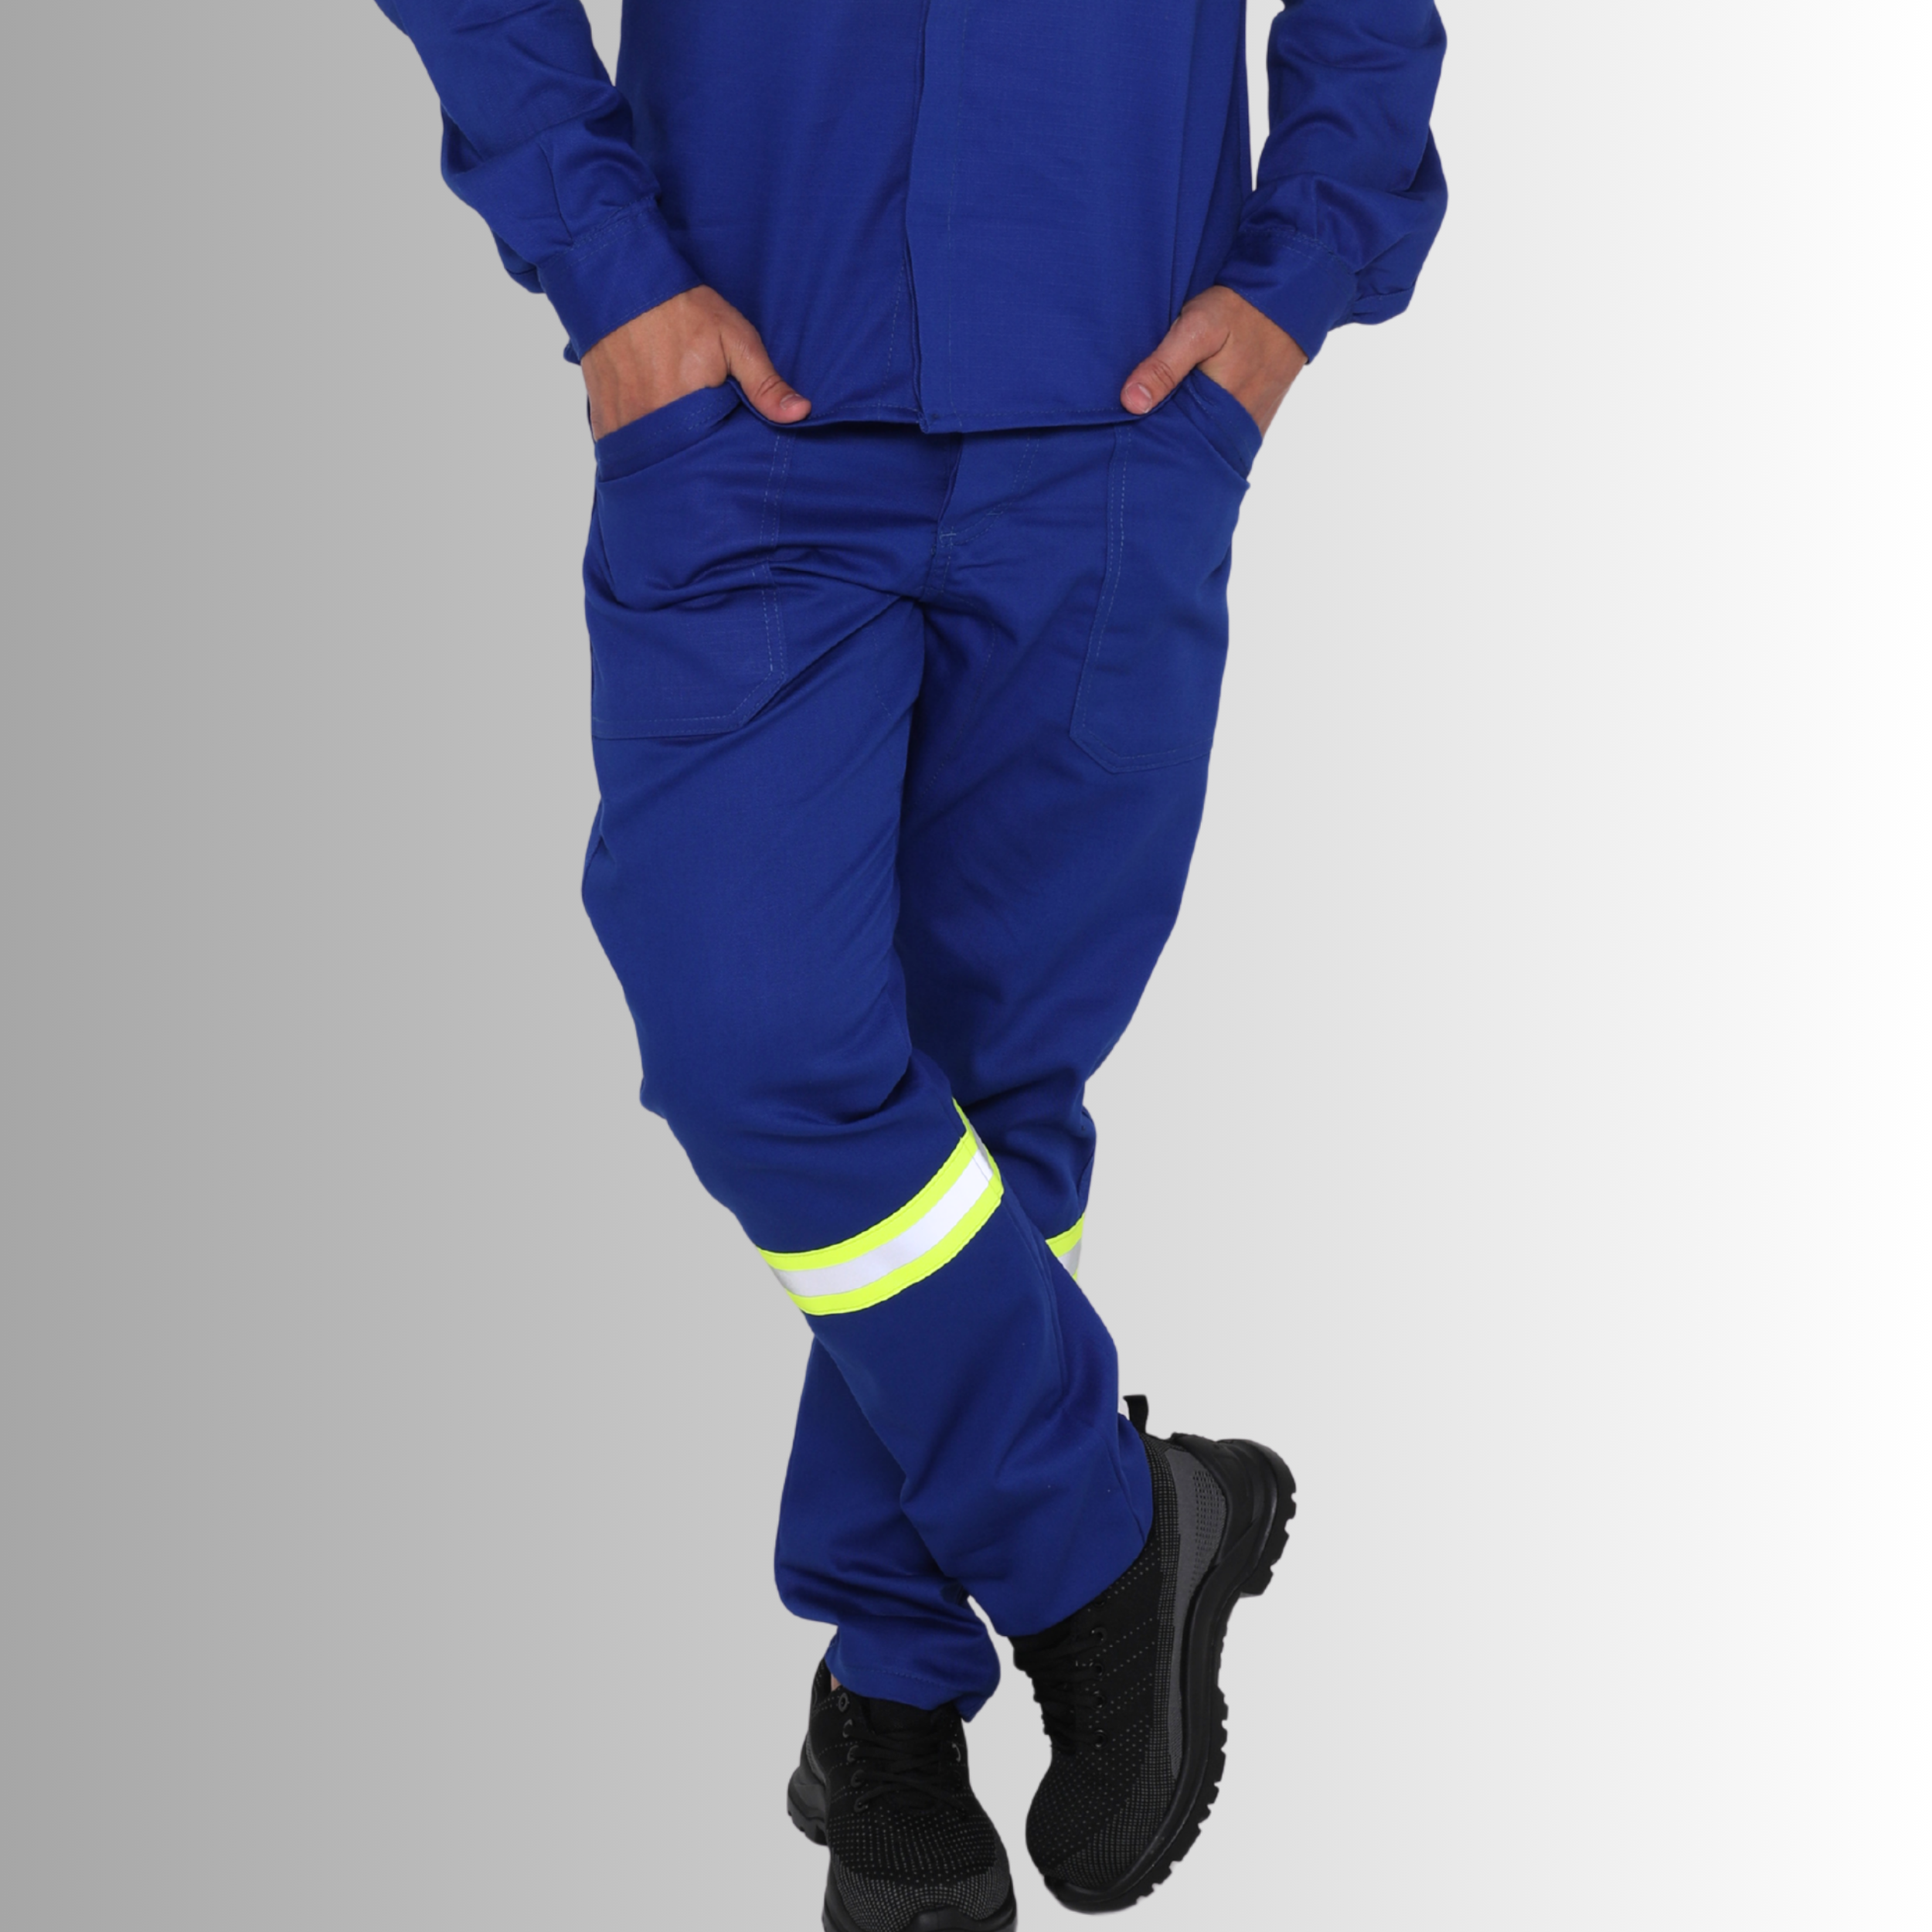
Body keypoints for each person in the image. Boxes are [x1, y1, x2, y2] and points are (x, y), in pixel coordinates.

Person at [371, 2, 1446, 1924]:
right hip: (750, 407)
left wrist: (1302, 268)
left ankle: (891, 1697)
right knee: (755, 1043)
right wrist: (605, 269)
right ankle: (1109, 1536)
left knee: (988, 1087)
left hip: (1116, 416)